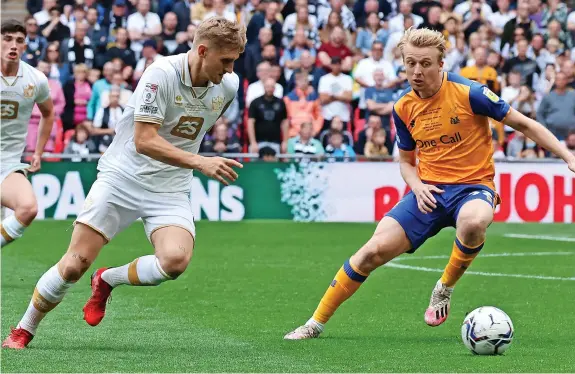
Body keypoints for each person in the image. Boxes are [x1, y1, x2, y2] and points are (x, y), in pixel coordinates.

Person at [284, 27, 575, 340]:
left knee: (474, 221)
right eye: (410, 63)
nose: (416, 71)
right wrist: (418, 186)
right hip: (429, 192)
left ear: (441, 64)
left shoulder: (471, 93)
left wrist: (567, 155)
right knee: (370, 253)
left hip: (472, 187)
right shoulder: (402, 108)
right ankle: (314, 323)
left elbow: (524, 123)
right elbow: (406, 163)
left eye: (424, 63)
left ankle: (444, 288)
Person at [2, 17, 246, 349]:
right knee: (74, 265)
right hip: (123, 179)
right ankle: (23, 329)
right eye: (226, 61)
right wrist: (200, 161)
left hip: (170, 188)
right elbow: (144, 140)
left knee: (175, 261)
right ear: (202, 51)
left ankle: (107, 280)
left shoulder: (227, 87)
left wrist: (192, 162)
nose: (231, 70)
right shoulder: (161, 74)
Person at [0, 20, 55, 249]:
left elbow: (48, 113)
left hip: (8, 163)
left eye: (19, 41)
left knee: (28, 208)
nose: (13, 45)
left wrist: (38, 152)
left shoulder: (36, 79)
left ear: (25, 46)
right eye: (8, 39)